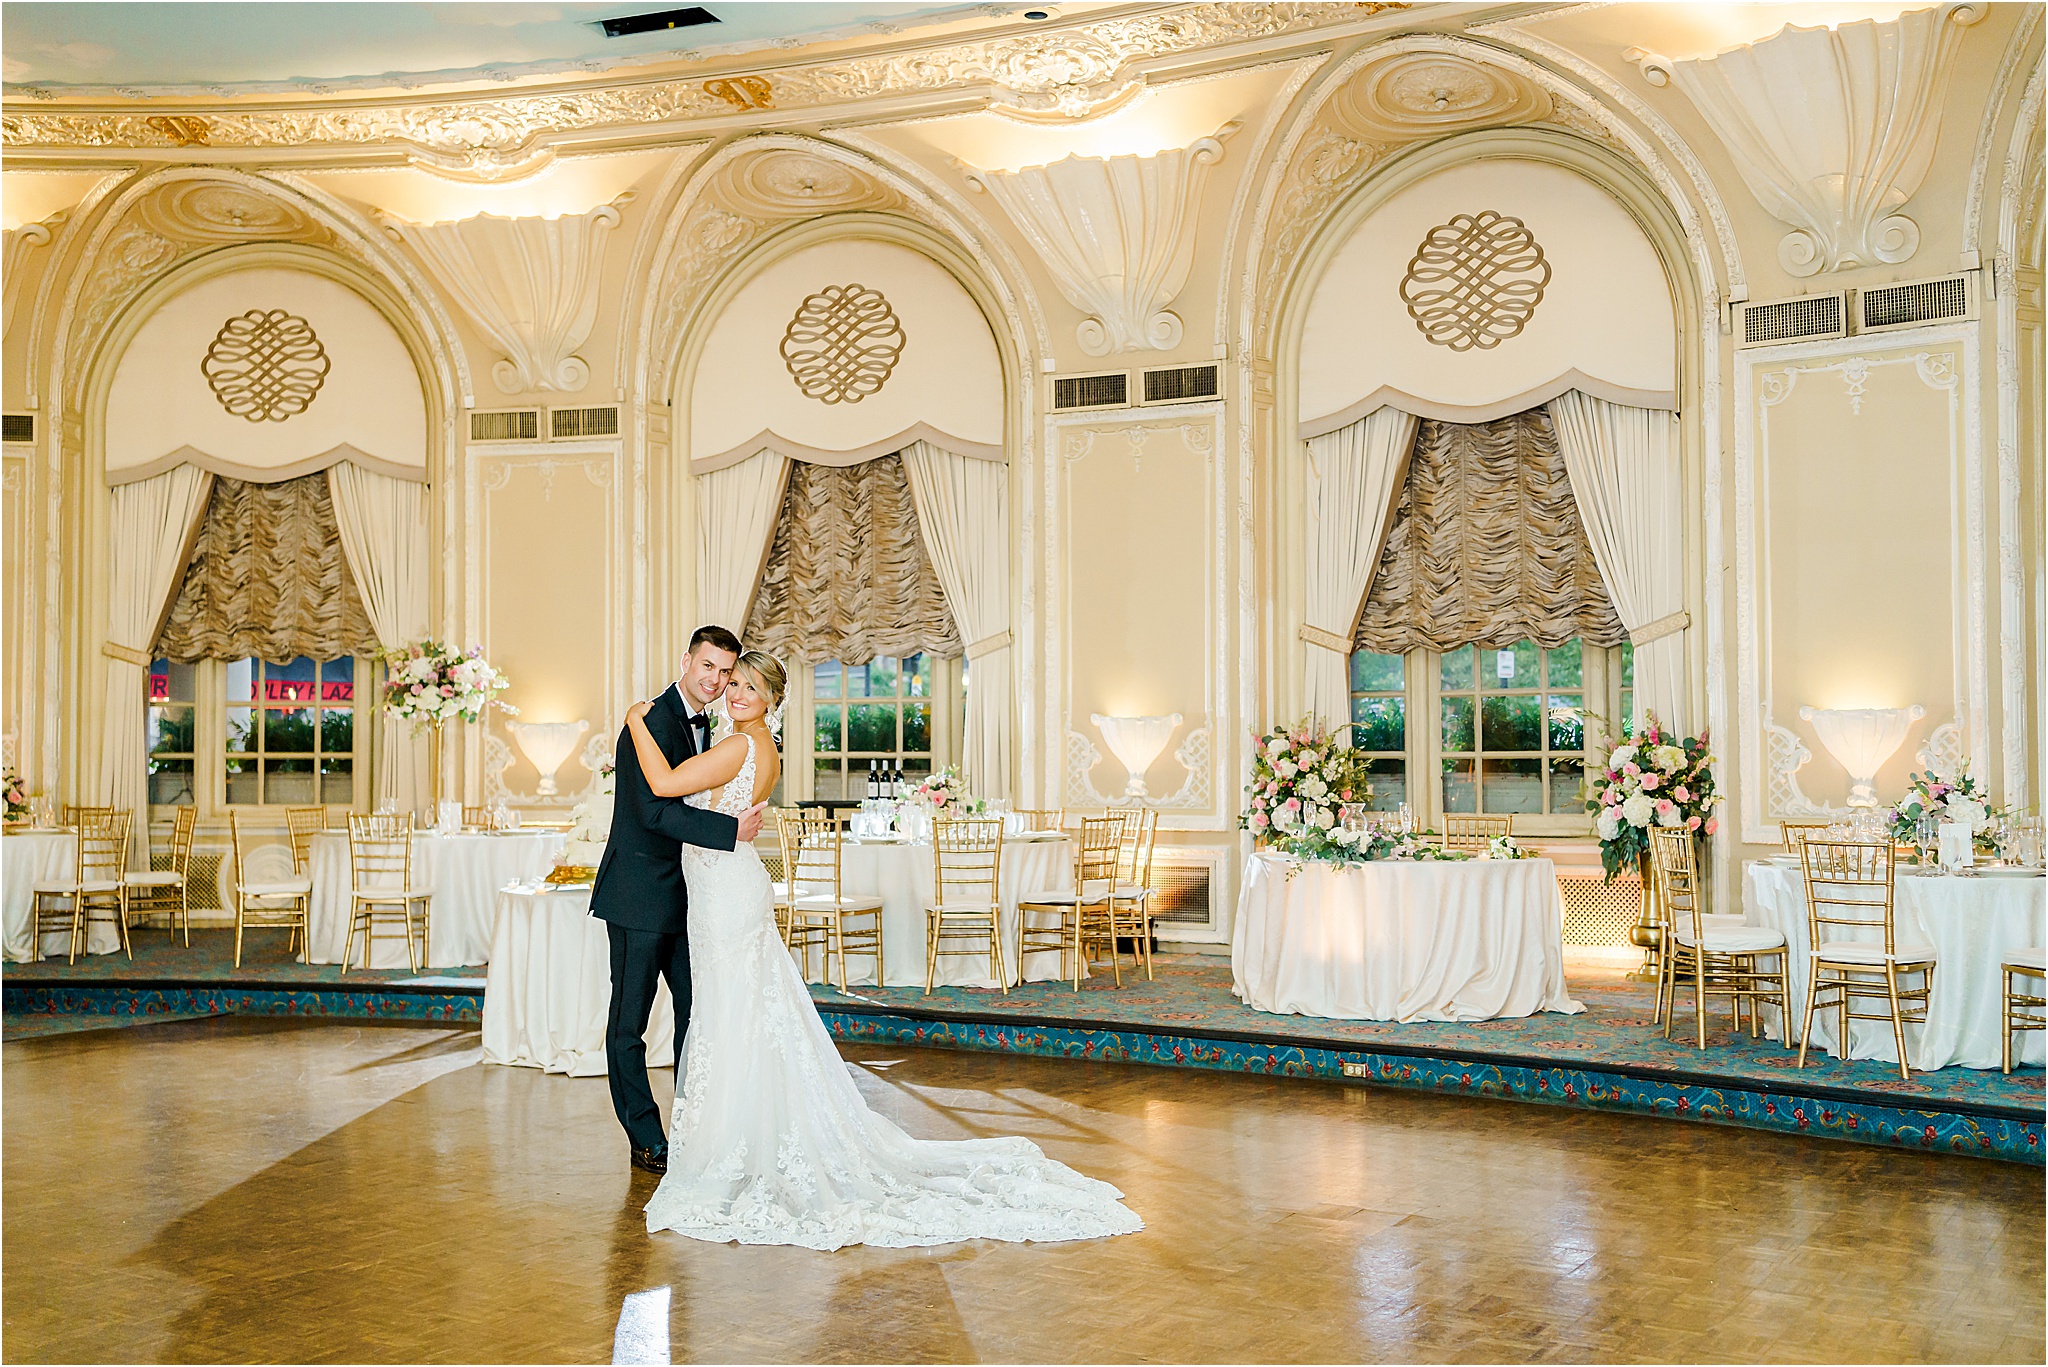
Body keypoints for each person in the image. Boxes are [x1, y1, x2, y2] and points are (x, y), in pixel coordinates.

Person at [620, 649, 1142, 1251]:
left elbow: (661, 784)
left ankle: (736, 1140)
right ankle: (743, 1131)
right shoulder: (763, 747)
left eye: (748, 686)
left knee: (735, 1009)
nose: (735, 693)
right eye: (731, 682)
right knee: (740, 1010)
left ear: (770, 700)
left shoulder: (740, 747)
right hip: (722, 888)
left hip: (726, 893)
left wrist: (635, 719)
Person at [590, 625, 767, 1176]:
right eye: (708, 667)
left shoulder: (712, 726)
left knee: (699, 1014)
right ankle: (646, 1137)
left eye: (726, 672)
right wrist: (728, 830)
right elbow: (652, 812)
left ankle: (697, 1127)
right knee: (629, 1025)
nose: (716, 681)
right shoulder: (645, 724)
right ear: (687, 661)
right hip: (639, 895)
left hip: (692, 898)